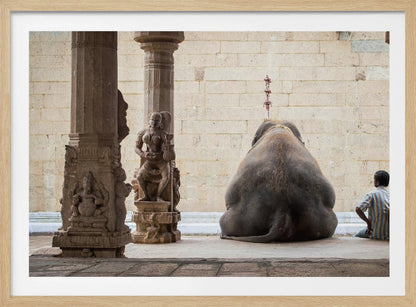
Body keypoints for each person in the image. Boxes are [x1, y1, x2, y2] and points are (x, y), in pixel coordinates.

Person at [135, 112, 174, 202]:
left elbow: (168, 150)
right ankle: (146, 196)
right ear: (149, 120)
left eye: (157, 120)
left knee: (166, 177)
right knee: (139, 177)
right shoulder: (143, 132)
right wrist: (143, 154)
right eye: (152, 119)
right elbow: (137, 148)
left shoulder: (162, 134)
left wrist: (168, 143)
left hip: (160, 160)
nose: (154, 122)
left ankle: (158, 196)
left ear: (160, 122)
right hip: (149, 160)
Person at [354, 170, 390, 240]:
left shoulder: (372, 195)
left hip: (376, 233)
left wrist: (368, 223)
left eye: (374, 179)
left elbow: (358, 209)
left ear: (377, 182)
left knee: (355, 236)